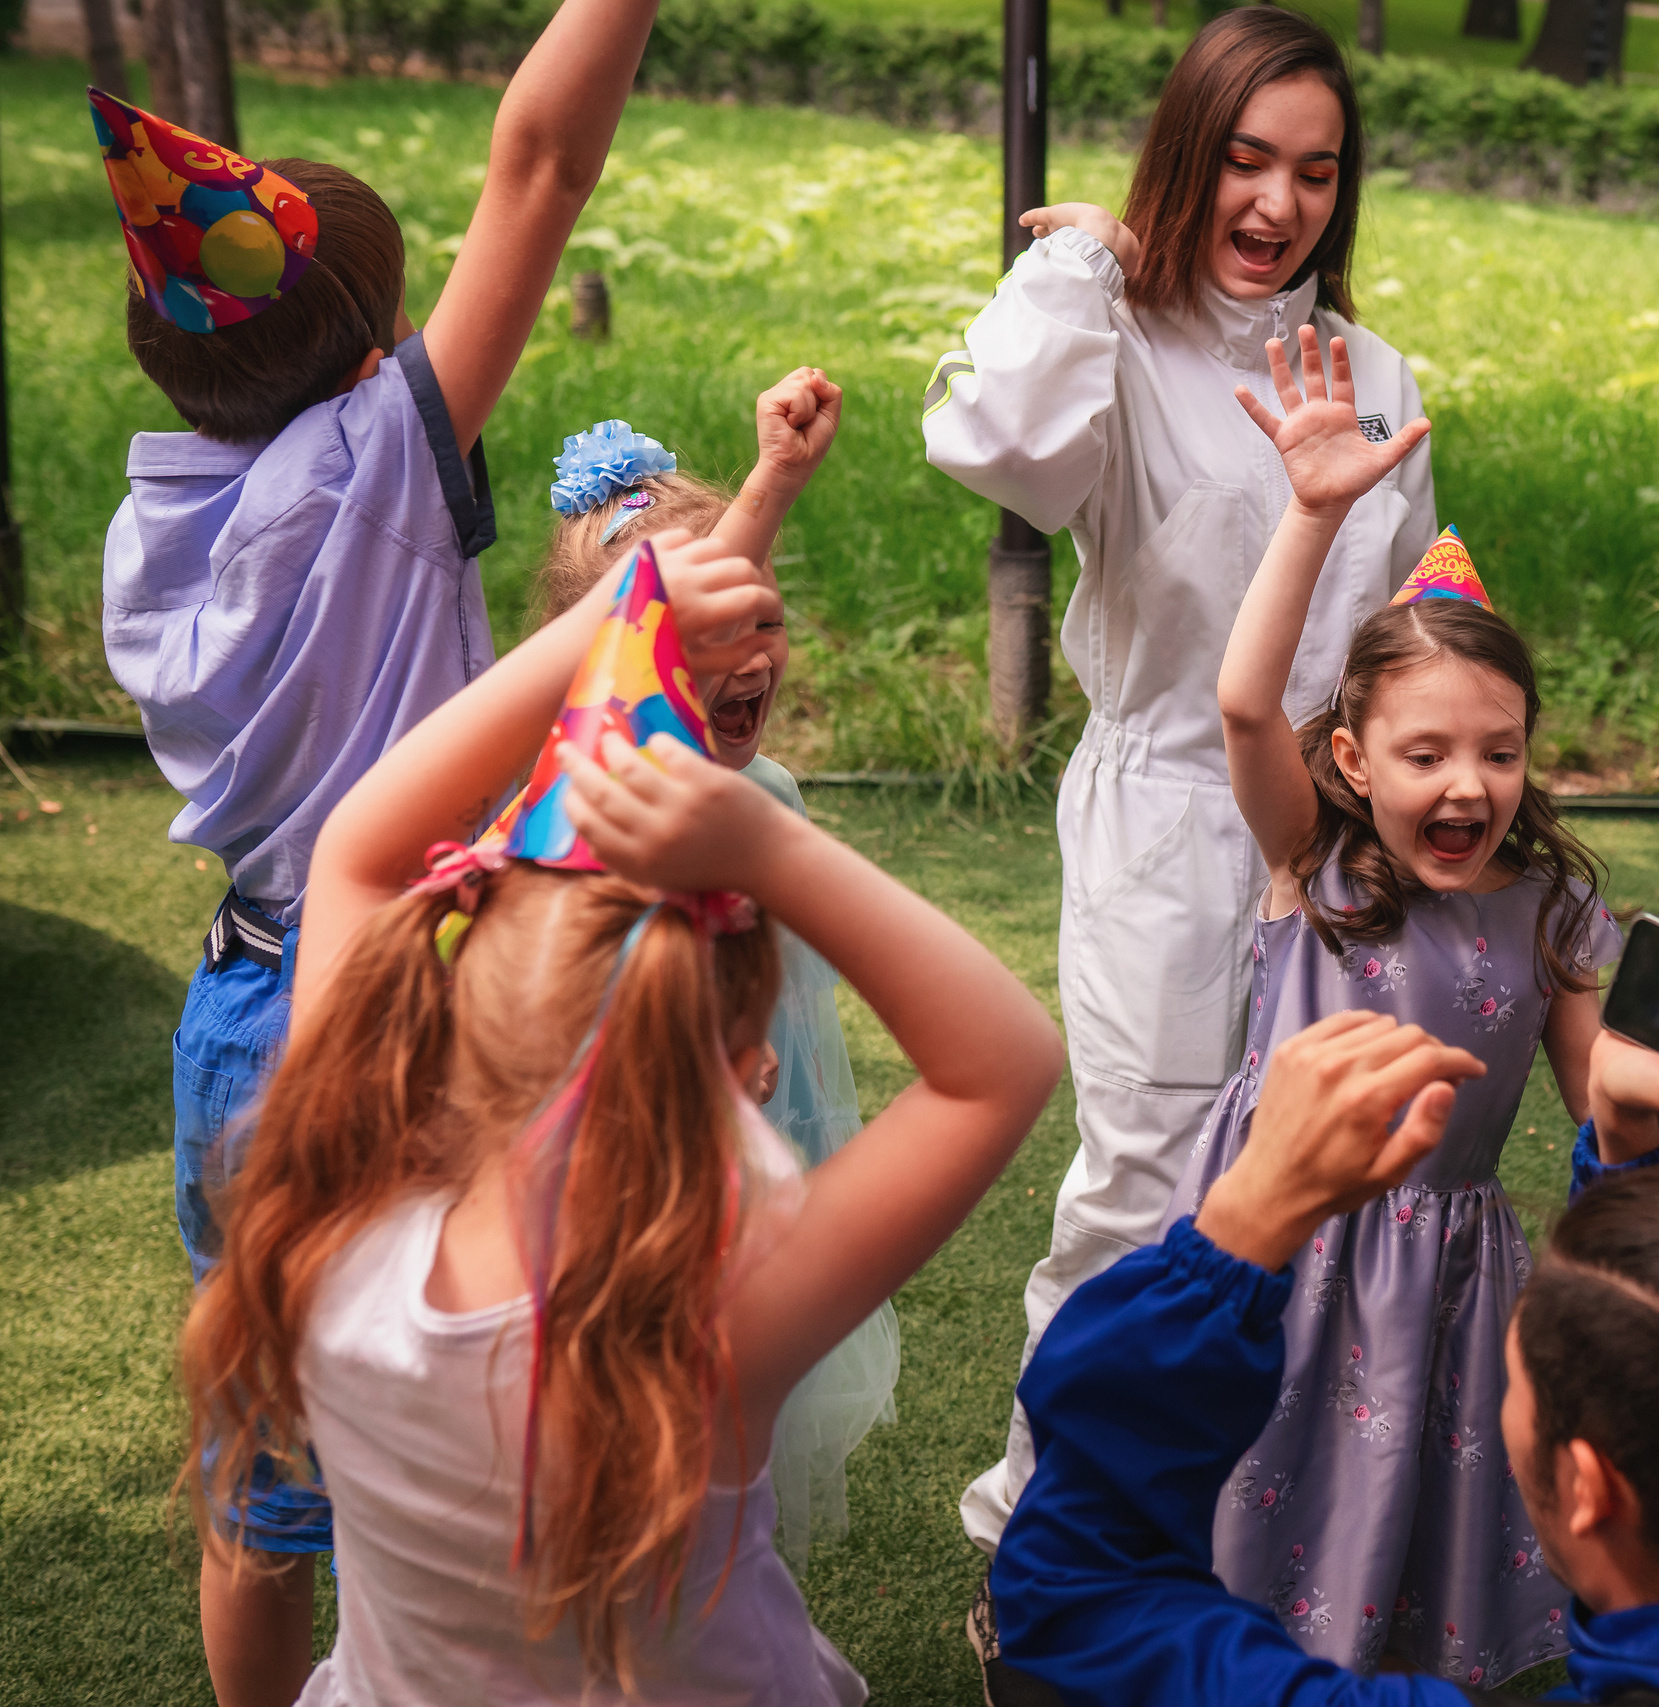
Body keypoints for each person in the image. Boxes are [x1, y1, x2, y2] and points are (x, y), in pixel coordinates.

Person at [177, 531, 1064, 1704]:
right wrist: (763, 839)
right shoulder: (713, 1319)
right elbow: (1000, 1064)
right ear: (747, 1069)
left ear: (453, 1028)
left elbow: (355, 852)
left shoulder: (336, 1219)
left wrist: (606, 611)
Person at [92, 3, 660, 1695]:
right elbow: (541, 163)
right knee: (501, 1421)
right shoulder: (377, 462)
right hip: (423, 1017)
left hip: (242, 1019)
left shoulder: (153, 519)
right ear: (371, 359)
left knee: (261, 1484)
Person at [921, 4, 1441, 1568]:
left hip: (1337, 832)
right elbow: (995, 441)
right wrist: (1086, 259)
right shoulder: (1120, 335)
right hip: (1165, 810)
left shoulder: (1374, 367)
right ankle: (1045, 1536)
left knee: (1323, 1183)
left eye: (1317, 171)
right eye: (1243, 161)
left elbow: (1403, 612)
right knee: (1144, 1181)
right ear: (1183, 156)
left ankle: (1264, 1533)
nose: (1279, 204)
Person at [989, 989, 1659, 1707]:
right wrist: (1628, 1142)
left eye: (1514, 1375)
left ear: (1586, 1485)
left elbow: (1079, 1592)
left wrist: (1238, 1231)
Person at [1131, 323, 1608, 1680]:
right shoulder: (1315, 866)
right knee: (1252, 1484)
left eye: (1499, 749)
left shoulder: (1552, 905)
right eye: (1426, 751)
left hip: (1446, 1267)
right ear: (1349, 756)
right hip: (1280, 1232)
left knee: (1406, 1499)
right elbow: (1238, 706)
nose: (1467, 782)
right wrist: (1316, 510)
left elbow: (1598, 1086)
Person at [536, 368, 894, 1568]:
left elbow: (799, 1059)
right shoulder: (582, 826)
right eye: (706, 632)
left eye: (763, 616)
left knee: (740, 1471)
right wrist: (772, 483)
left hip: (757, 1186)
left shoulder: (770, 799)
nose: (747, 658)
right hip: (630, 1209)